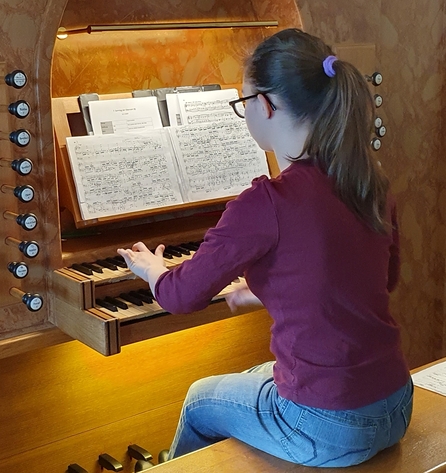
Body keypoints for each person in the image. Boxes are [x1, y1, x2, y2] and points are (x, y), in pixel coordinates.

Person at [116, 28, 412, 467]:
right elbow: (378, 280)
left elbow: (181, 296)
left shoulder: (269, 201)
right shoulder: (368, 182)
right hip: (393, 404)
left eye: (243, 102)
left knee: (200, 399)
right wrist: (266, 291)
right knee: (255, 375)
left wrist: (152, 270)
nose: (245, 113)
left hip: (327, 424)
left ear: (266, 104)